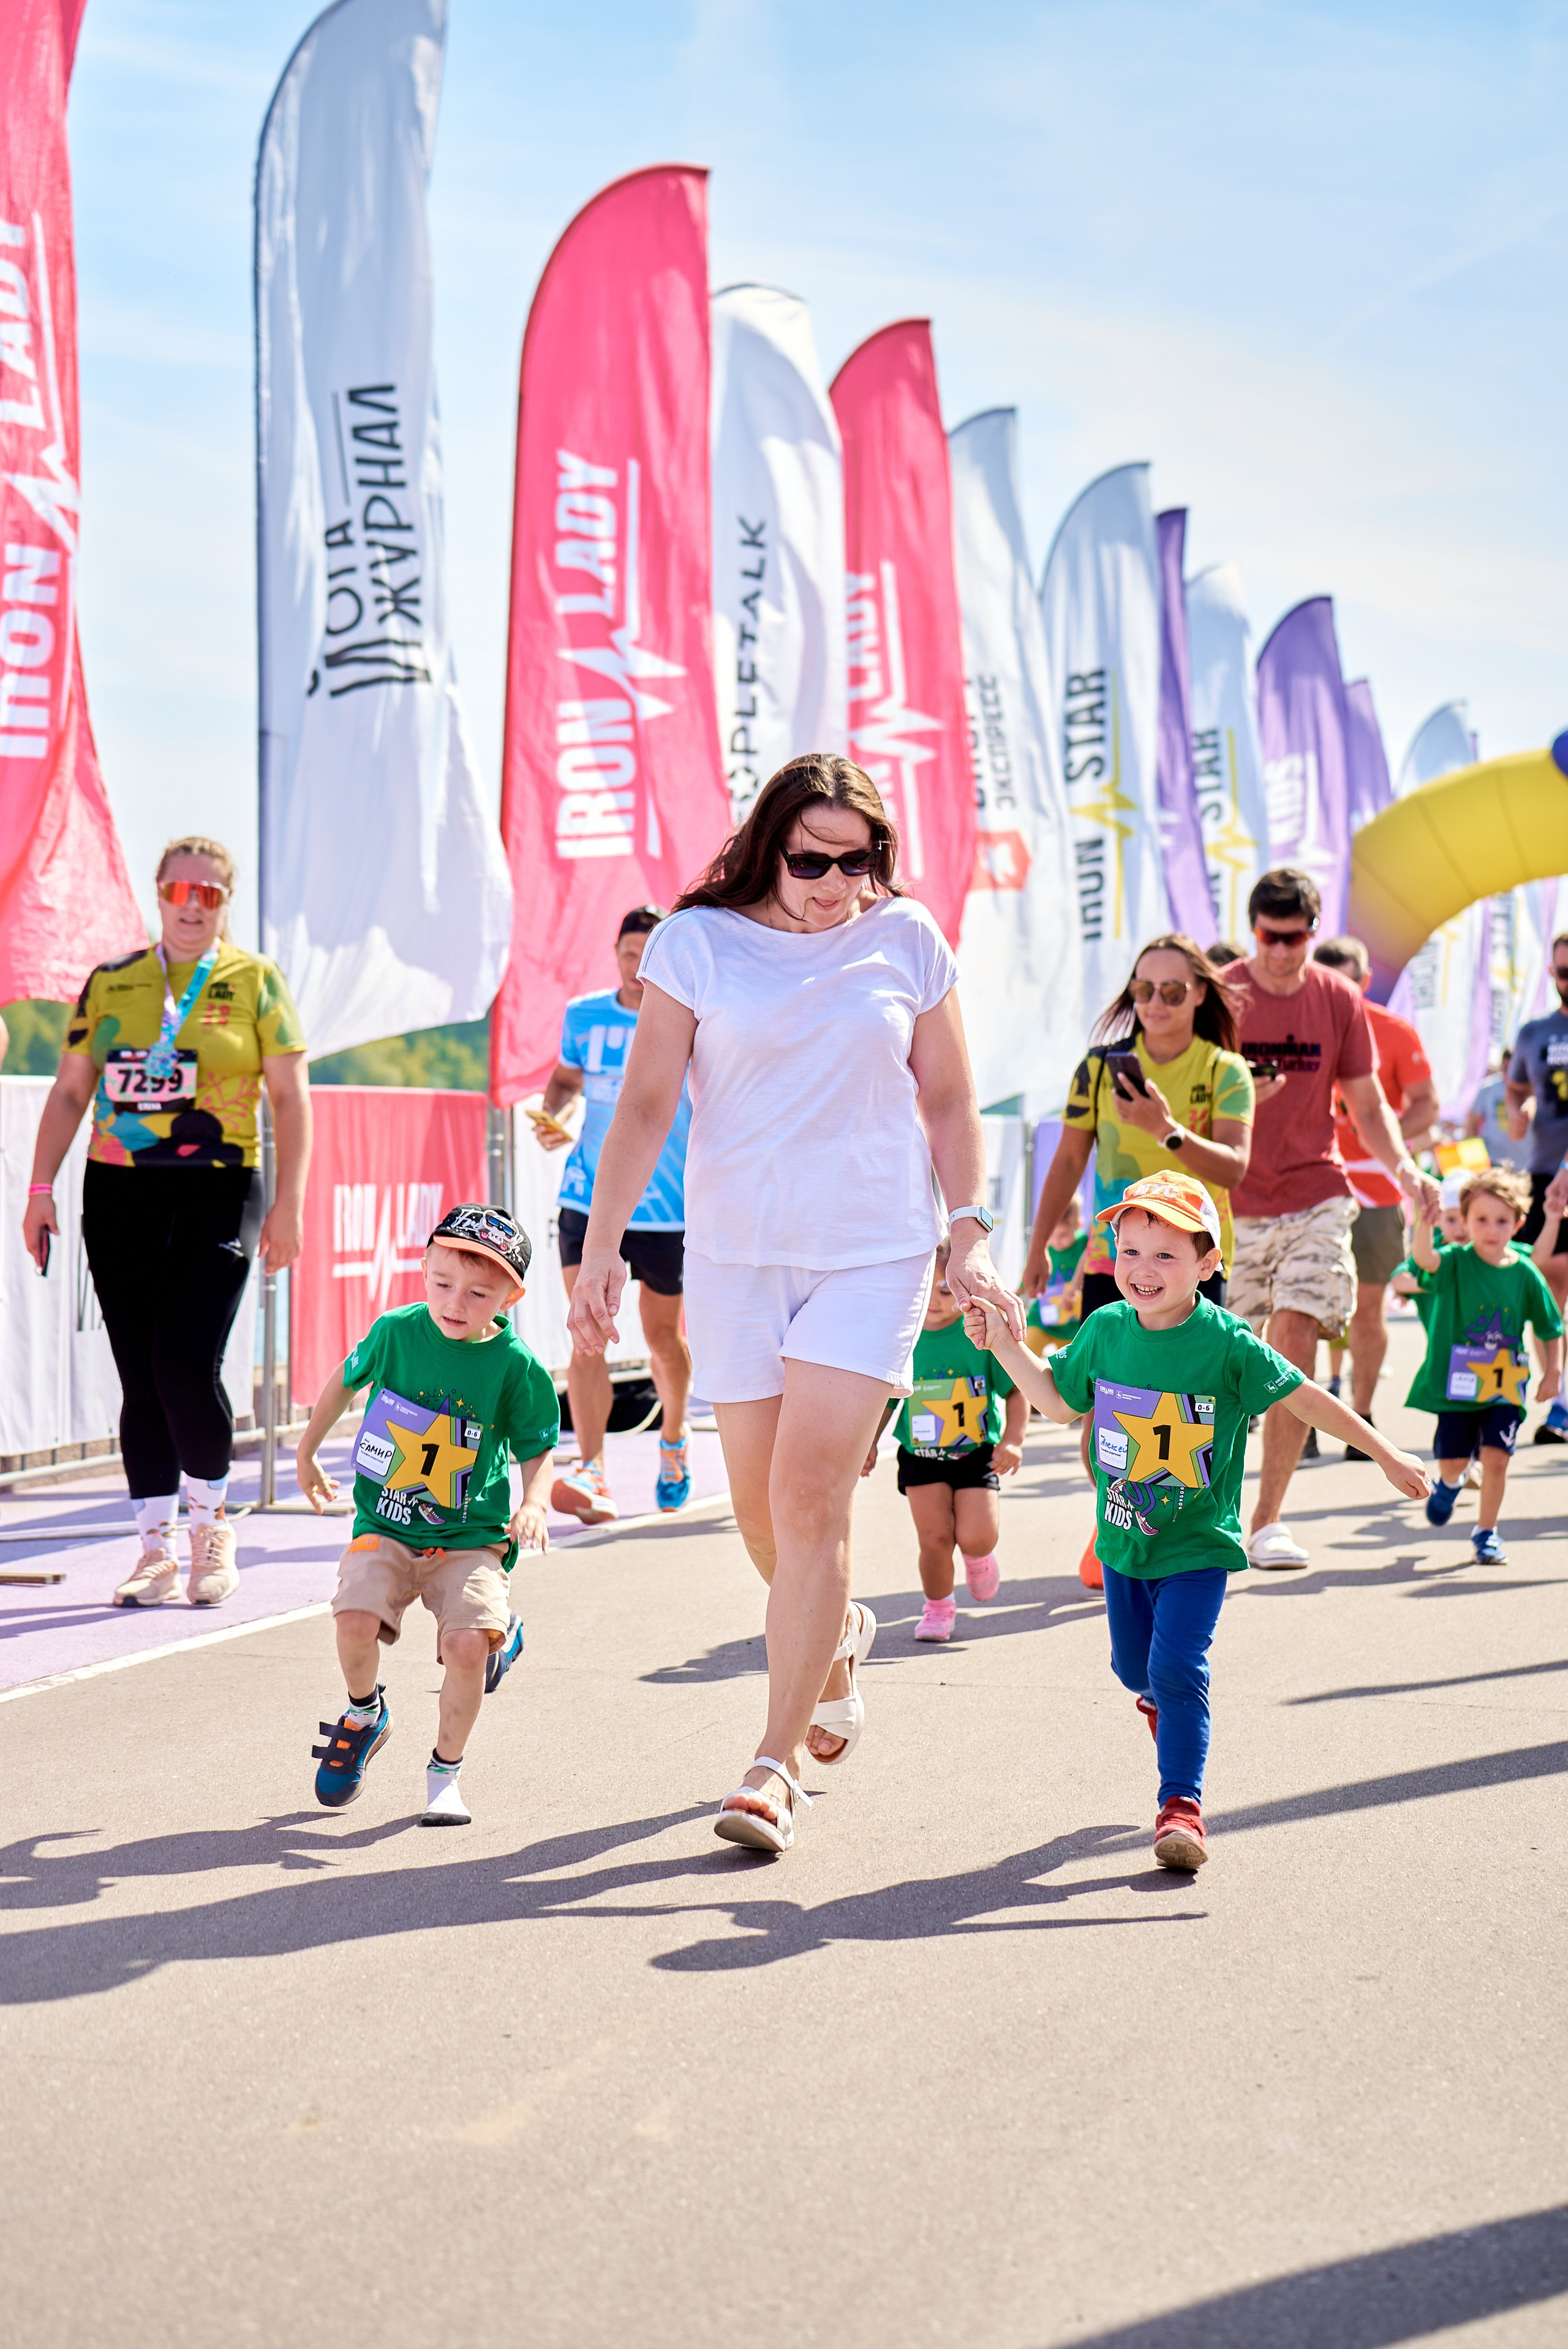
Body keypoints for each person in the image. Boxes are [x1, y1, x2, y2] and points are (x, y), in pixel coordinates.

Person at [565, 752, 1022, 1855]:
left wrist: (969, 1223)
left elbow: (953, 1098)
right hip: (736, 1258)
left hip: (873, 1253)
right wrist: (603, 1248)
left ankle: (769, 1767)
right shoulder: (697, 942)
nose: (832, 881)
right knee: (768, 1523)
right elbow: (646, 1108)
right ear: (768, 846)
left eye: (855, 860)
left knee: (815, 1499)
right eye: (810, 859)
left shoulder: (906, 937)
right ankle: (838, 1641)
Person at [968, 1171, 1427, 1870]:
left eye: (1164, 1255)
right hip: (1125, 1543)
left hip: (1197, 1547)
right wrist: (1002, 1342)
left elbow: (1305, 1399)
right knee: (1135, 1669)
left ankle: (1179, 1807)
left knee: (1179, 1664)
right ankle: (1161, 1702)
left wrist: (1385, 1450)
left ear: (1208, 1265)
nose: (1141, 1270)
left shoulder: (1227, 1343)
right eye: (1129, 1252)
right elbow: (1058, 1403)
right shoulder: (1104, 1328)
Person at [20, 837, 311, 1609]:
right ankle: (153, 1547)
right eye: (180, 889)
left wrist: (291, 1204)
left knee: (187, 1365)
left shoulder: (255, 980)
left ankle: (212, 1527)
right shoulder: (113, 981)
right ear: (159, 893)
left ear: (226, 903)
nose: (193, 903)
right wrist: (40, 1185)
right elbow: (67, 1091)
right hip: (119, 1189)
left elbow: (290, 1098)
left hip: (219, 1184)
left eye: (210, 893)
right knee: (141, 1376)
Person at [297, 1205, 559, 1826]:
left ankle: (445, 1769)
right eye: (442, 1283)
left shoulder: (515, 1365)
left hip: (470, 1536)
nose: (456, 1302)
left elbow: (537, 1447)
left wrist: (535, 1501)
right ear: (422, 1268)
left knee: (467, 1644)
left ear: (510, 1296)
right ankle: (364, 1714)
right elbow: (343, 1379)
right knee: (355, 1618)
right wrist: (306, 1451)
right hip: (384, 1524)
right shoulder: (395, 1331)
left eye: (478, 1292)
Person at [1215, 870, 1440, 1569]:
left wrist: (1403, 1167)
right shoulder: (1220, 993)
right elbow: (1183, 1091)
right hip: (1233, 1201)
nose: (1280, 951)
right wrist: (1234, 1094)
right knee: (1221, 1365)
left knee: (1292, 1336)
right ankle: (1209, 1513)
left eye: (1294, 938)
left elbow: (1369, 1106)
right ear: (1252, 929)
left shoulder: (1337, 998)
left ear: (1313, 932)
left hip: (1317, 1191)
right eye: (1267, 937)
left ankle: (1267, 1521)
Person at [1023, 932, 1255, 1586]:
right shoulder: (1099, 1069)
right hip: (1112, 1263)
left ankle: (1176, 1536)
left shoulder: (1223, 1072)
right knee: (1104, 1412)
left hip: (1194, 1269)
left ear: (1200, 994)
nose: (1154, 1003)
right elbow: (1070, 1158)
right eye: (1142, 990)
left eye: (1172, 991)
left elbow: (1234, 1170)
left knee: (1187, 1418)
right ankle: (1116, 1520)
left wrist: (1165, 1130)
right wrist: (1039, 1245)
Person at [532, 905, 693, 1521]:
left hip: (667, 1204)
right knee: (587, 1334)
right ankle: (592, 1468)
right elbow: (566, 1078)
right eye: (627, 953)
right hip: (587, 1196)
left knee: (661, 1338)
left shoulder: (688, 1017)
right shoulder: (584, 1014)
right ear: (616, 953)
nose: (635, 965)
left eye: (646, 954)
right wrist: (553, 1114)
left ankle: (673, 1442)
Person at [861, 1239, 1028, 1642]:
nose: (935, 1300)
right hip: (921, 1456)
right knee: (934, 1539)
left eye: (946, 1289)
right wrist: (868, 1442)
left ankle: (979, 1556)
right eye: (927, 1288)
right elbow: (883, 1399)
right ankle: (938, 1607)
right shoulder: (904, 1339)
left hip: (976, 1454)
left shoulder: (980, 1334)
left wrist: (1014, 1440)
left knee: (977, 1535)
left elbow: (1017, 1389)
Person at [1311, 936, 1439, 1455]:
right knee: (1301, 1312)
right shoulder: (1301, 1023)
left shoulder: (1392, 1030)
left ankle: (1361, 1419)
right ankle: (1299, 1423)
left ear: (1365, 981)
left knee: (1367, 1310)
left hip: (1376, 1191)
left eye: (1347, 981)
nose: (1337, 991)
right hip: (1313, 1183)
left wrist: (1379, 1136)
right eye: (1328, 981)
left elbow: (1428, 1105)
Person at [1409, 1169, 1562, 1564]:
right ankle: (1449, 1483)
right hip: (1456, 1386)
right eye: (1480, 1220)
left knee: (1498, 1456)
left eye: (1501, 1221)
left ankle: (1486, 1532)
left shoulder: (1525, 1273)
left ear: (1518, 1224)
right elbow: (1423, 1260)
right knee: (1455, 1460)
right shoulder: (1456, 1262)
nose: (1491, 1230)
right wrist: (1424, 1222)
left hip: (1504, 1387)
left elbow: (1551, 1326)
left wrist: (1554, 1374)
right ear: (1463, 1219)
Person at [1506, 937, 1568, 1439]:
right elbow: (1517, 1085)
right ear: (1551, 972)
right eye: (1564, 971)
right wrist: (1518, 1109)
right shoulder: (1535, 1032)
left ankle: (1562, 1404)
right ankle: (1556, 1392)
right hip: (1546, 1172)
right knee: (1548, 1285)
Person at [1025, 1196, 1087, 1356]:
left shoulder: (1084, 1246)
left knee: (1072, 1365)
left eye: (1064, 1235)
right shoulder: (1044, 1249)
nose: (1057, 1241)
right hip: (1040, 1321)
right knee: (1025, 1352)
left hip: (1071, 1327)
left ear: (1078, 1225)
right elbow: (1029, 1277)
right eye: (1052, 1235)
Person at [1466, 1052, 1517, 1169]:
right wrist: (1475, 1162)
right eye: (1505, 1068)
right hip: (1493, 1163)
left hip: (1525, 1165)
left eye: (1512, 1069)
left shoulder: (1533, 1088)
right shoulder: (1488, 1088)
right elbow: (1471, 1125)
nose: (1508, 1073)